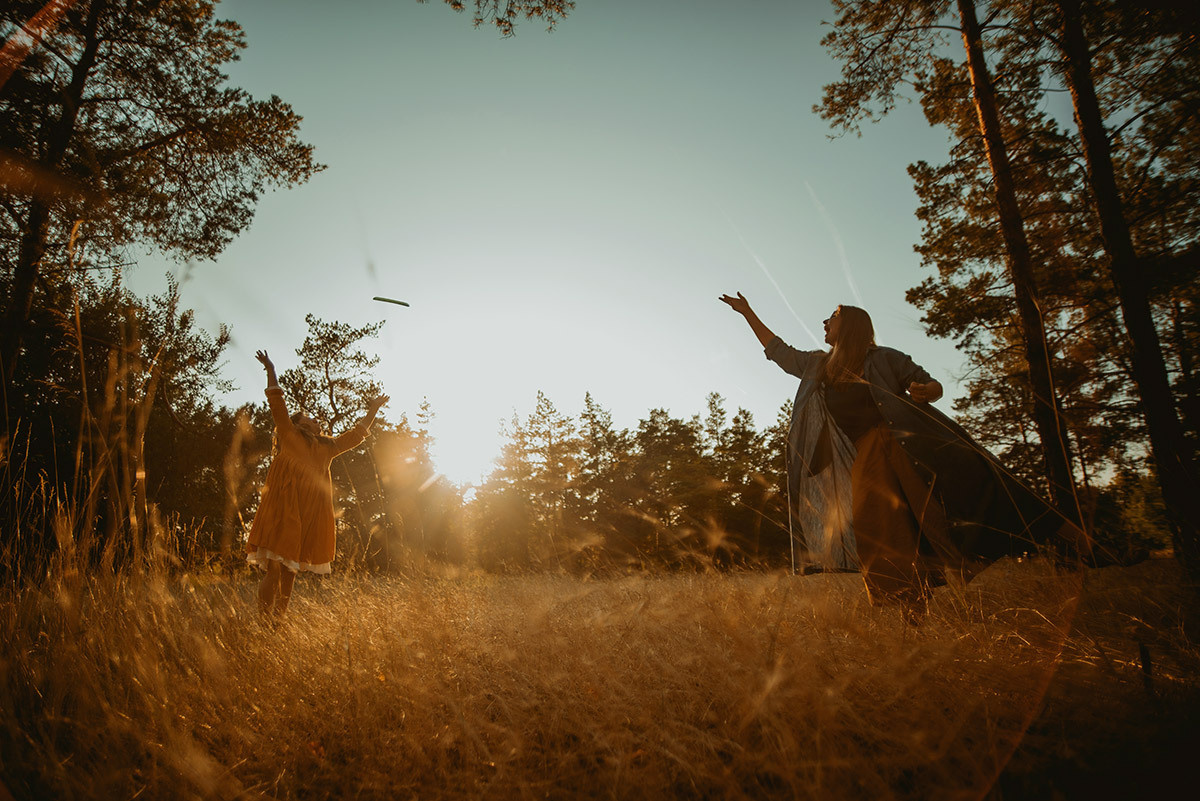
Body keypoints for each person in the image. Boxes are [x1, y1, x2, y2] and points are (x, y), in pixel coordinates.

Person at [719, 292, 1082, 606]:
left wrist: (928, 391)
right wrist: (747, 312)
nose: (825, 322)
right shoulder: (819, 366)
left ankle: (1082, 545)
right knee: (879, 530)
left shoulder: (885, 358)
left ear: (852, 326)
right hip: (869, 458)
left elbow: (929, 383)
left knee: (985, 495)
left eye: (833, 316)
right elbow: (779, 352)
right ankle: (910, 610)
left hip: (918, 444)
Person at [246, 349, 388, 618]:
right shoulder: (289, 434)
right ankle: (264, 621)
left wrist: (373, 409)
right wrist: (270, 369)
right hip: (283, 511)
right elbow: (276, 400)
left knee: (290, 572)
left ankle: (278, 622)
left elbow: (357, 434)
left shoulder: (328, 448)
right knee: (275, 569)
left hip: (307, 516)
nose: (316, 420)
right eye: (309, 418)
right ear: (299, 425)